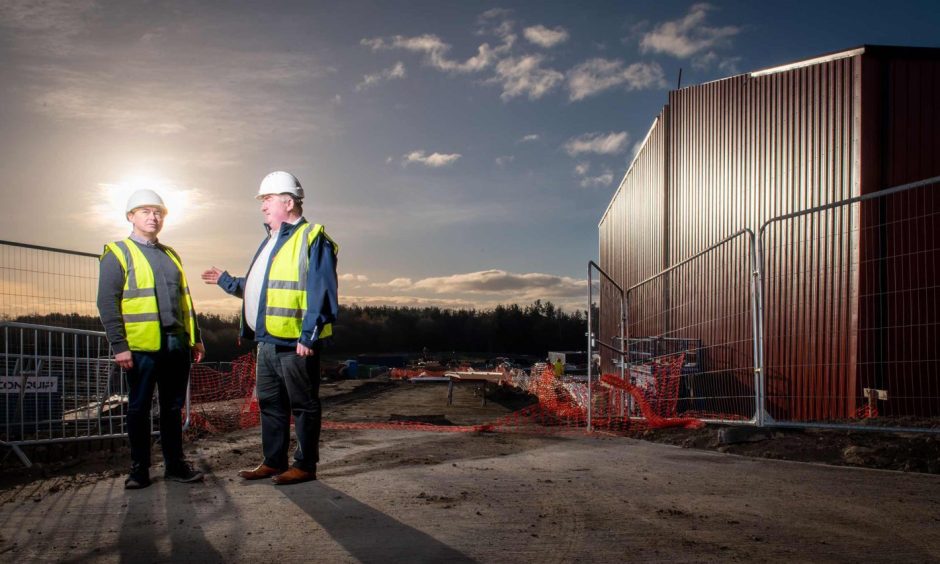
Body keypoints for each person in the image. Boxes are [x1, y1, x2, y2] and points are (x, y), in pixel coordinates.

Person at [201, 171, 338, 486]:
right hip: (266, 343)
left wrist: (309, 334)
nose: (262, 207)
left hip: (295, 343)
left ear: (288, 202)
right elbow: (259, 289)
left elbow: (322, 291)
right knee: (270, 403)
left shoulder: (313, 238)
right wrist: (226, 281)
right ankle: (273, 461)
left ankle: (304, 466)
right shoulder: (270, 242)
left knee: (303, 405)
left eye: (268, 200)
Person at [97, 189, 206, 489]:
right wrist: (119, 346)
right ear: (131, 216)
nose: (153, 216)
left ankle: (175, 466)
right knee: (139, 408)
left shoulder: (171, 254)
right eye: (145, 211)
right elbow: (107, 303)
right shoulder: (117, 253)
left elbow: (186, 301)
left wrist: (195, 338)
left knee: (172, 409)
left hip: (176, 344)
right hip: (141, 348)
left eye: (158, 212)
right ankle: (139, 469)